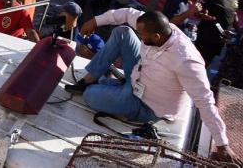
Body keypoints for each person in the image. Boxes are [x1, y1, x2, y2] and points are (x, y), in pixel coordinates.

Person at [70, 10, 240, 165]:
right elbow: (127, 13)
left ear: (157, 36)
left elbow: (205, 101)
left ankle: (105, 88)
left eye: (141, 34)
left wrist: (222, 144)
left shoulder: (186, 62)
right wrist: (94, 21)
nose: (139, 35)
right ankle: (90, 78)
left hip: (146, 104)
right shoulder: (156, 26)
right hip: (138, 77)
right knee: (123, 33)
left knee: (90, 96)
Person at [196, 0, 240, 65]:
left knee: (208, 61)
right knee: (198, 60)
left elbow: (232, 11)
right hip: (207, 35)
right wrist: (203, 15)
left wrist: (237, 27)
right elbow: (200, 10)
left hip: (221, 37)